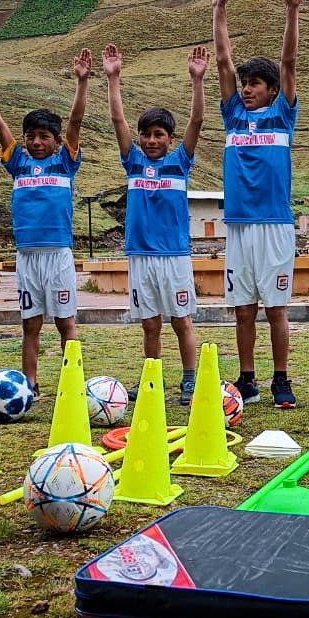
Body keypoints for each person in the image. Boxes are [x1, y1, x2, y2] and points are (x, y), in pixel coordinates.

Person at [0, 49, 92, 395]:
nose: (36, 142)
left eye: (44, 137)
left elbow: (76, 122)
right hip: (27, 258)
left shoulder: (65, 162)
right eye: (31, 136)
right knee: (30, 324)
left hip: (58, 256)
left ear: (55, 141)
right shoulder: (18, 163)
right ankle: (29, 385)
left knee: (66, 323)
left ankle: (72, 383)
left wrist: (82, 82)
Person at [212, 0, 309, 408]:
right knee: (244, 308)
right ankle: (247, 379)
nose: (246, 89)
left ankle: (281, 379)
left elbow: (289, 63)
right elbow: (222, 61)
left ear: (272, 90)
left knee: (276, 308)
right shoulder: (233, 116)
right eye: (244, 84)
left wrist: (292, 9)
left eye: (255, 84)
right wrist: (219, 9)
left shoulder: (282, 116)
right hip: (238, 227)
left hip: (274, 226)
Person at [103, 42, 209, 405]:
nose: (150, 141)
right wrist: (113, 78)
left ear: (170, 139)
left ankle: (190, 380)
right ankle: (152, 381)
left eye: (158, 135)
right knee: (150, 324)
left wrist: (197, 81)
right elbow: (118, 120)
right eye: (146, 134)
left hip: (174, 256)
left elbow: (197, 120)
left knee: (181, 321)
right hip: (140, 256)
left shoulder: (180, 162)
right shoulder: (132, 162)